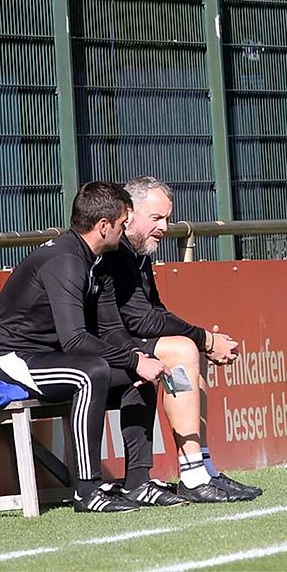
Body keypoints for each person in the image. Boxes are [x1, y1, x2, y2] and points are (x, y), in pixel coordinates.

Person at [0, 182, 177, 512]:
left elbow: (111, 329)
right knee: (90, 373)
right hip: (12, 359)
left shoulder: (98, 260)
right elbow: (76, 340)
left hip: (49, 356)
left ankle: (138, 482)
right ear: (104, 226)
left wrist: (138, 358)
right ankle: (87, 489)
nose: (126, 229)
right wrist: (133, 360)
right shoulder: (65, 260)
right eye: (123, 222)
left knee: (139, 371)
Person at [99, 176, 262, 502]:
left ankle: (204, 467)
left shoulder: (139, 253)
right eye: (156, 218)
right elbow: (140, 319)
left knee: (191, 351)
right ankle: (191, 475)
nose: (164, 227)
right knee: (184, 349)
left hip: (124, 344)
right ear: (128, 214)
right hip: (96, 349)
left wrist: (204, 341)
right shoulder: (115, 251)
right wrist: (205, 338)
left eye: (167, 218)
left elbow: (154, 310)